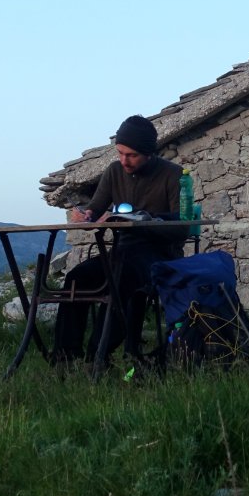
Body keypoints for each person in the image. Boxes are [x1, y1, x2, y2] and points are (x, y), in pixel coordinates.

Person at [53, 115, 187, 368]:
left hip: (158, 256)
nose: (124, 160)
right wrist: (85, 215)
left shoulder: (173, 175)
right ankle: (65, 357)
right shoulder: (114, 171)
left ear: (148, 153)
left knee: (120, 281)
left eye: (132, 155)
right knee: (76, 279)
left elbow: (182, 227)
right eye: (120, 153)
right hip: (121, 251)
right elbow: (95, 208)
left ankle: (98, 354)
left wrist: (143, 220)